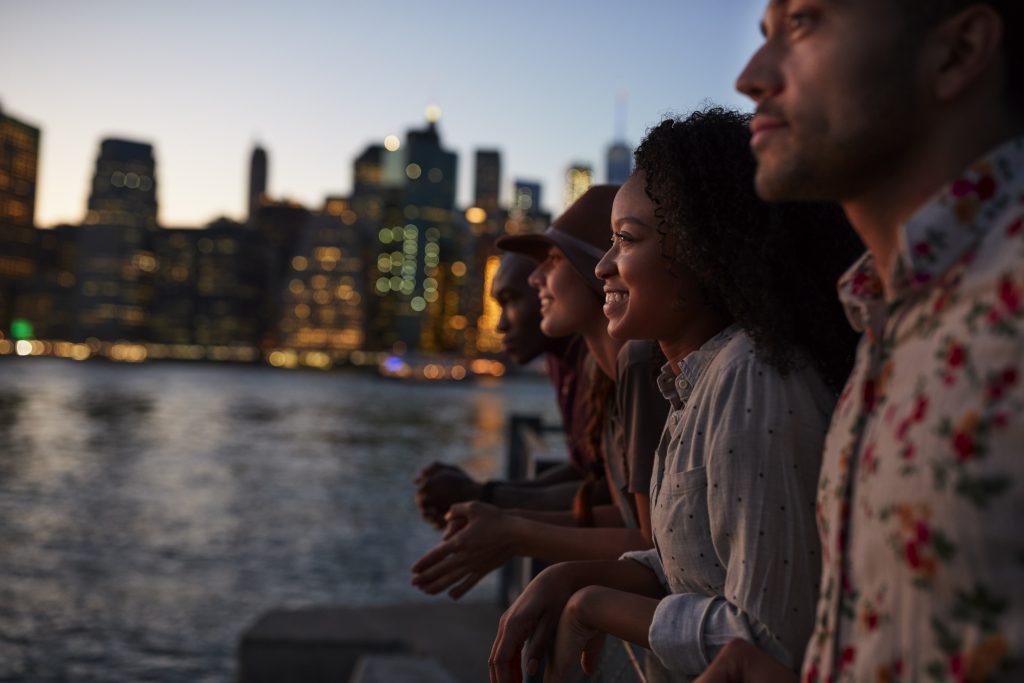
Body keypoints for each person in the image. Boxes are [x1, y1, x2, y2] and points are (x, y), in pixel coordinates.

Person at [696, 1, 1024, 681]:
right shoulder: (883, 314)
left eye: (805, 22)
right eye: (764, 34)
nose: (751, 77)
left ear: (956, 51)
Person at [488, 109, 861, 683]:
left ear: (702, 254)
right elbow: (693, 566)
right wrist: (567, 577)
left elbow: (768, 642)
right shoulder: (694, 381)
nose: (605, 265)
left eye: (626, 240)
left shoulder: (753, 378)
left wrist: (597, 606)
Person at [410, 185, 668, 600]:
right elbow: (620, 516)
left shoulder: (640, 367)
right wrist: (502, 517)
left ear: (597, 268)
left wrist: (513, 530)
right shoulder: (607, 376)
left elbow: (650, 543)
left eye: (551, 259)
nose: (536, 279)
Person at [414, 253, 593, 528]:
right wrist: (481, 495)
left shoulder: (606, 365)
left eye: (511, 300)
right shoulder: (561, 364)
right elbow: (587, 471)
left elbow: (614, 495)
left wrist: (480, 495)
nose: (500, 325)